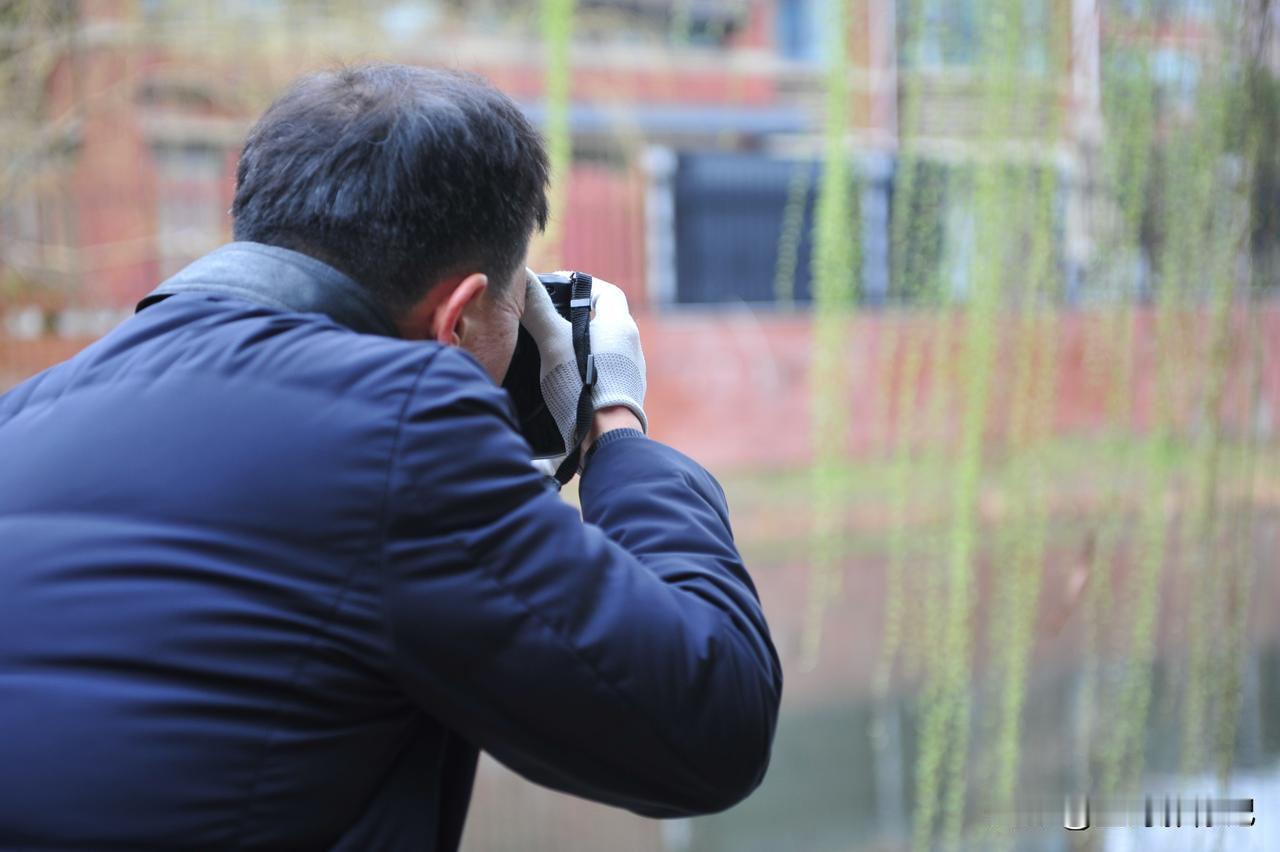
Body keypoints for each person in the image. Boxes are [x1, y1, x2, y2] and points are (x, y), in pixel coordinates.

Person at [0, 64, 781, 850]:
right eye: (513, 306)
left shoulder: (24, 415)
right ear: (459, 318)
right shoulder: (396, 426)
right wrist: (614, 424)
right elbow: (712, 724)